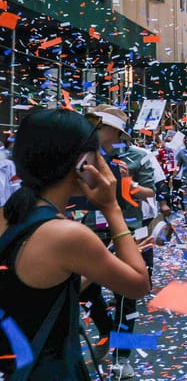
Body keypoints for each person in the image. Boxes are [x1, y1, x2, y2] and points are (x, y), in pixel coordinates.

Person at [0, 108, 150, 379]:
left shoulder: (9, 214)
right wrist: (112, 207)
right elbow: (139, 284)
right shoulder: (67, 235)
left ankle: (118, 349)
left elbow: (36, 290)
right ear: (82, 163)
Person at [79, 105, 159, 377]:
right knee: (85, 289)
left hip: (128, 230)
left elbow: (151, 191)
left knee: (125, 296)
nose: (97, 131)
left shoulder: (137, 156)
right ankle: (105, 330)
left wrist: (128, 186)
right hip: (89, 229)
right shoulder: (82, 157)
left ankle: (122, 357)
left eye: (102, 127)